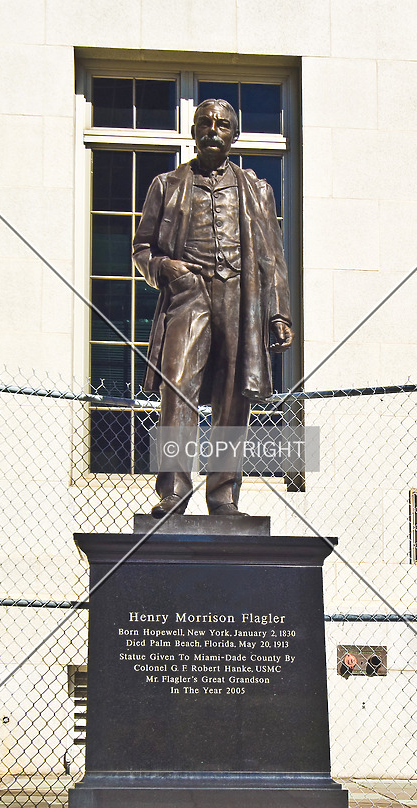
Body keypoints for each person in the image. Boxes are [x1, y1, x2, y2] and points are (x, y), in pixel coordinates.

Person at [133, 98, 293, 518]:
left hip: (241, 296)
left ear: (234, 135)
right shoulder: (166, 185)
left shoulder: (257, 190)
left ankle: (223, 496)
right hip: (189, 295)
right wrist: (165, 267)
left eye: (222, 125)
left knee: (232, 396)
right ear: (192, 131)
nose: (213, 130)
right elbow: (141, 248)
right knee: (177, 388)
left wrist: (278, 313)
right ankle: (173, 493)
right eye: (204, 123)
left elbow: (273, 258)